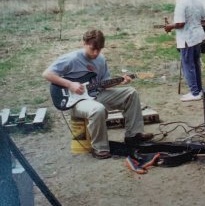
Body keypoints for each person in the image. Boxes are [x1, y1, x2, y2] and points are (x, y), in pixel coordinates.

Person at [42, 30, 153, 159]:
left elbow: (103, 84)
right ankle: (100, 149)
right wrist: (70, 84)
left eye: (99, 50)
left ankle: (133, 135)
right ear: (84, 43)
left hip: (96, 95)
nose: (96, 53)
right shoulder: (71, 58)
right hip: (75, 101)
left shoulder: (100, 60)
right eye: (93, 49)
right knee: (97, 109)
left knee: (131, 93)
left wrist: (121, 81)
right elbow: (47, 74)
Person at [164, 0, 205, 102]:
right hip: (198, 37)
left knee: (188, 66)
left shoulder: (181, 4)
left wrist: (169, 27)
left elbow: (180, 24)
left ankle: (194, 92)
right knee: (196, 64)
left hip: (187, 39)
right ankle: (199, 90)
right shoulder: (197, 2)